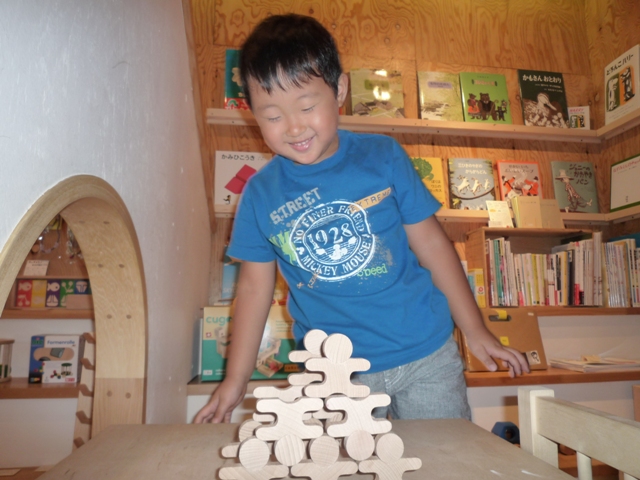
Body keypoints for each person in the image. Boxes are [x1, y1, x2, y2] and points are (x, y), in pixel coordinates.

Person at [194, 14, 529, 424]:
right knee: (344, 459)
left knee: (443, 455)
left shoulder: (383, 156)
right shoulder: (260, 195)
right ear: (252, 114)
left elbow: (432, 246)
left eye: (307, 106)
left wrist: (475, 330)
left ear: (340, 90)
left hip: (425, 354)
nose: (294, 127)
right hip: (333, 372)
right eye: (273, 116)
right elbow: (252, 290)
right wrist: (235, 380)